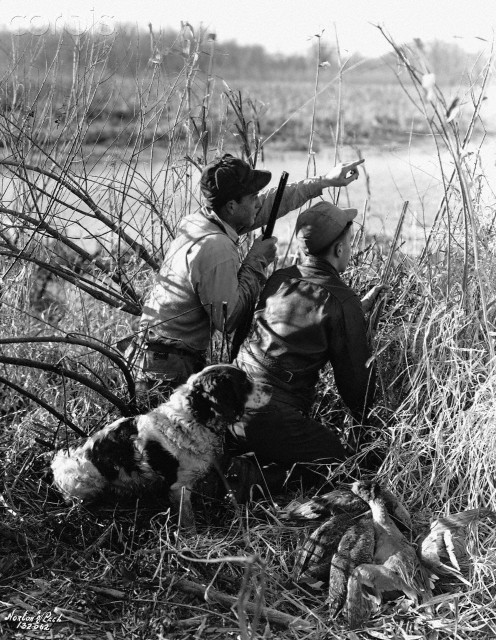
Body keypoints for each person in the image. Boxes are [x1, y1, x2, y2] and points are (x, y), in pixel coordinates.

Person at [136, 154, 364, 398]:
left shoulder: (200, 221)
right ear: (232, 206)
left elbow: (269, 204)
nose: (258, 202)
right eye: (253, 197)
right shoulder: (216, 247)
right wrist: (256, 261)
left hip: (157, 356)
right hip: (169, 366)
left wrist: (324, 181)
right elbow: (228, 319)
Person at [227, 200, 386, 473]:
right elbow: (356, 389)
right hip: (269, 415)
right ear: (339, 249)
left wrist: (354, 311)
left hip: (230, 398)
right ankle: (245, 481)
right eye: (349, 244)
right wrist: (373, 427)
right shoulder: (341, 301)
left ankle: (241, 464)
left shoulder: (279, 279)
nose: (350, 249)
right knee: (338, 466)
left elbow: (301, 319)